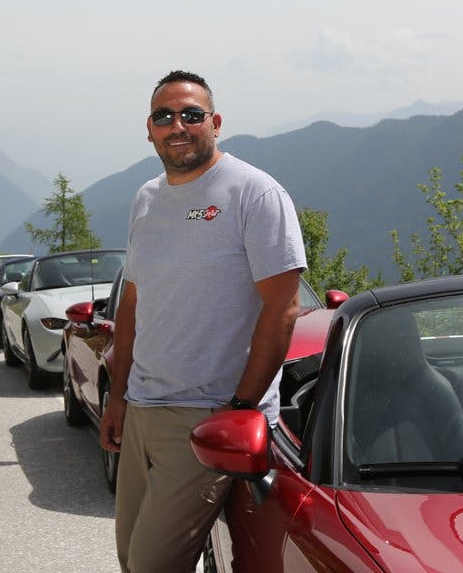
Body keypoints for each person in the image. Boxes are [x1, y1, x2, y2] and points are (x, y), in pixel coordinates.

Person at [99, 70, 307, 573]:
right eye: (164, 116)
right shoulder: (147, 199)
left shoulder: (254, 193)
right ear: (148, 130)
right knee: (131, 559)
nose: (178, 125)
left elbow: (283, 307)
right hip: (144, 411)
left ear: (214, 122)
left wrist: (240, 409)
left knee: (152, 565)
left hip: (207, 418)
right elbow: (134, 300)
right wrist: (119, 395)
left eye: (191, 114)